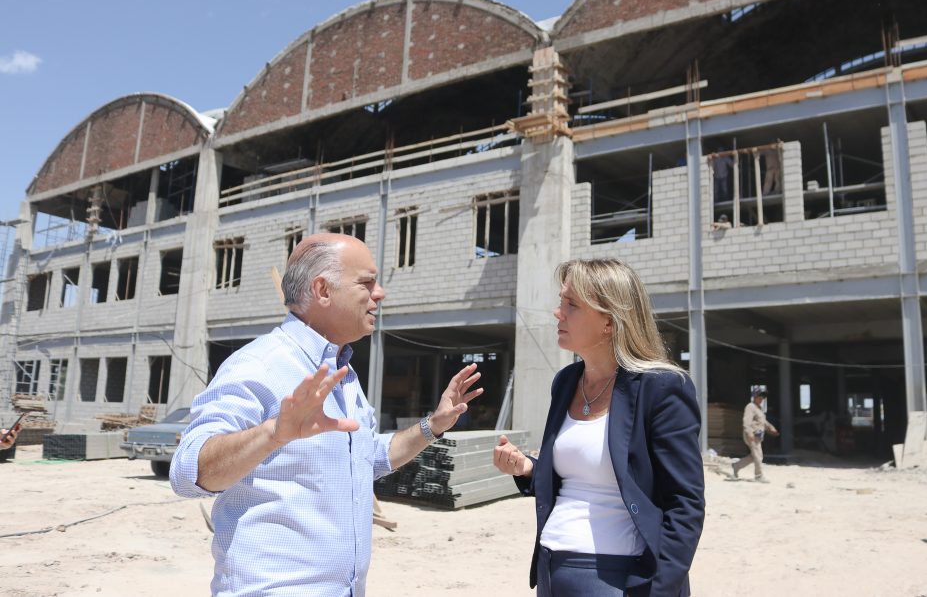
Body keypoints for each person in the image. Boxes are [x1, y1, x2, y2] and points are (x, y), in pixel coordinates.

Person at [170, 234, 482, 597]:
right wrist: (274, 433)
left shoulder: (343, 375)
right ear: (322, 290)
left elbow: (371, 457)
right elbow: (186, 472)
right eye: (367, 282)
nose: (380, 293)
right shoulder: (258, 365)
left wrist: (434, 426)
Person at [493, 258, 704, 597]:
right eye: (561, 302)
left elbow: (685, 505)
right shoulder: (565, 382)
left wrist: (660, 592)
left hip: (614, 578)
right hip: (551, 569)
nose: (557, 312)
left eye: (571, 305)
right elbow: (578, 475)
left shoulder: (662, 388)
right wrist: (528, 468)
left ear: (608, 321)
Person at [730, 389, 778, 483]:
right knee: (758, 455)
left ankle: (736, 466)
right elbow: (746, 421)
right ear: (755, 397)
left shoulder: (758, 408)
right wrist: (749, 433)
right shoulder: (750, 407)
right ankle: (759, 476)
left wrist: (771, 428)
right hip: (752, 435)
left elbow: (763, 422)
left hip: (758, 436)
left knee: (754, 456)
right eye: (760, 397)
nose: (762, 399)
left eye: (763, 397)